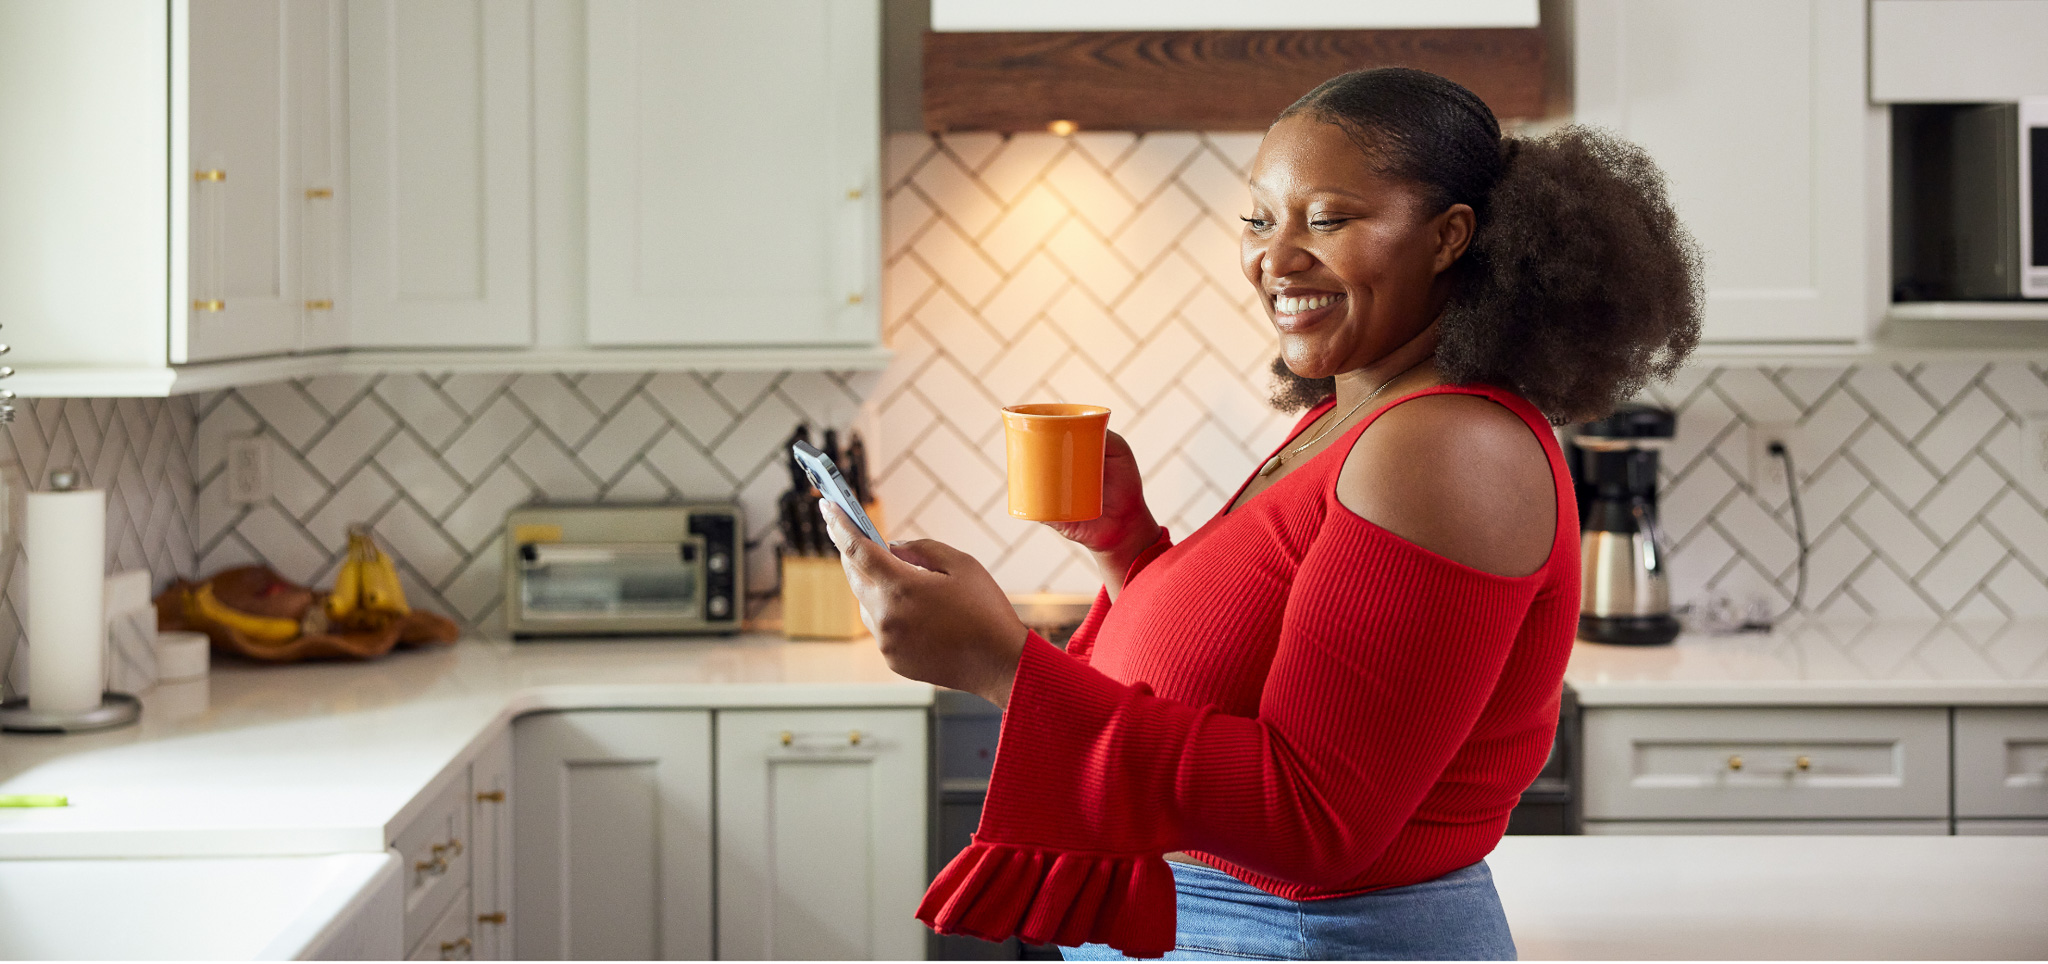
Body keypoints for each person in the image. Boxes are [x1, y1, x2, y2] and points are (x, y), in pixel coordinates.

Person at [819, 67, 1702, 960]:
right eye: (1258, 218)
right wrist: (1127, 549)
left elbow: (1314, 817)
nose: (1275, 259)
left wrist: (1000, 662)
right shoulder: (1358, 417)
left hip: (1308, 937)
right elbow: (1244, 677)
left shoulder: (1445, 446)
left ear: (1448, 237)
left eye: (1327, 219)